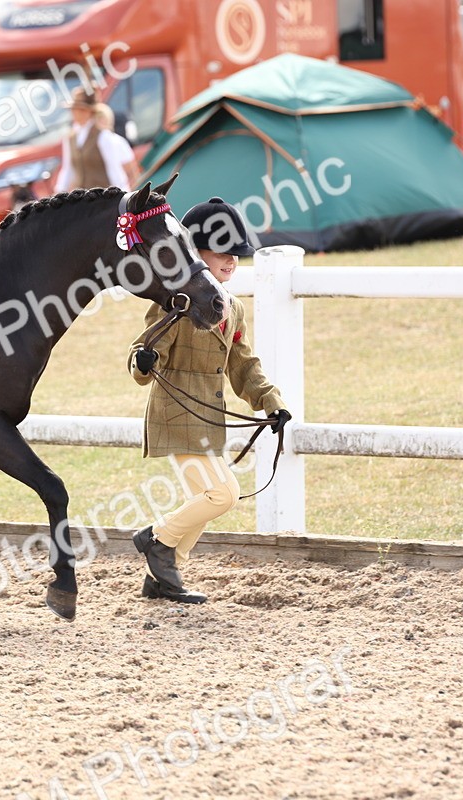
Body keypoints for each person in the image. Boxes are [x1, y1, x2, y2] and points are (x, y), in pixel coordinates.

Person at [126, 197, 291, 604]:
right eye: (222, 253)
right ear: (196, 254)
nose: (232, 262)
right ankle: (157, 540)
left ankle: (164, 576)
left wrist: (271, 401)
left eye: (236, 255)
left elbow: (243, 362)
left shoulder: (231, 308)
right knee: (222, 495)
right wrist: (144, 361)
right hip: (176, 415)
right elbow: (141, 356)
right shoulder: (176, 302)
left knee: (213, 496)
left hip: (208, 418)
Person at [53, 87, 136, 192]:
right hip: (83, 201)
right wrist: (58, 193)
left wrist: (120, 197)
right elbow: (67, 170)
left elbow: (114, 171)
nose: (72, 112)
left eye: (76, 109)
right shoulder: (70, 138)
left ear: (87, 111)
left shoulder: (103, 137)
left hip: (105, 199)